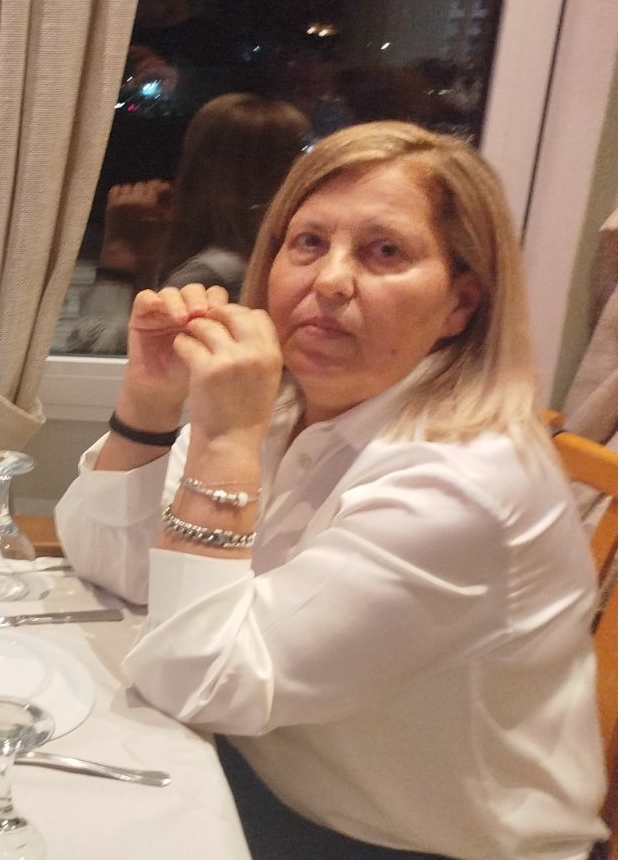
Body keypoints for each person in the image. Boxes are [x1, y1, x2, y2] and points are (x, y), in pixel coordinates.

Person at [56, 121, 605, 858]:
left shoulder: (464, 486)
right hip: (261, 772)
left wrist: (224, 440)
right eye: (309, 242)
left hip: (412, 844)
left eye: (385, 252)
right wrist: (152, 402)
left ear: (460, 304)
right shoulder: (291, 405)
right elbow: (111, 563)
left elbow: (199, 681)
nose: (330, 280)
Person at [67, 93, 309, 354]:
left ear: (201, 167)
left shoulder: (214, 272)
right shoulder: (268, 255)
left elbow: (96, 350)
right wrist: (149, 256)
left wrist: (118, 254)